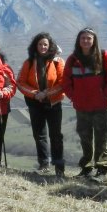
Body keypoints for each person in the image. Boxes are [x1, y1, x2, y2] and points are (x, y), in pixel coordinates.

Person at [62, 28, 107, 180]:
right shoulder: (73, 59)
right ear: (78, 41)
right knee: (85, 137)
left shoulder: (104, 56)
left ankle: (102, 169)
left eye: (89, 38)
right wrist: (74, 96)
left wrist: (105, 96)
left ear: (94, 40)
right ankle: (86, 168)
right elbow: (66, 81)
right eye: (83, 38)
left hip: (100, 106)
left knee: (101, 137)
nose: (86, 41)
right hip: (81, 107)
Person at [17, 32, 66, 176]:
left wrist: (46, 93)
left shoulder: (58, 62)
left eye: (45, 44)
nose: (43, 47)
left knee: (56, 135)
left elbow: (62, 82)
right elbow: (20, 82)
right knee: (39, 135)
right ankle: (43, 164)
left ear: (50, 46)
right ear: (35, 46)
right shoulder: (29, 62)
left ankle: (59, 166)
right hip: (35, 103)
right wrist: (35, 94)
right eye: (40, 44)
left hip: (54, 103)